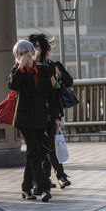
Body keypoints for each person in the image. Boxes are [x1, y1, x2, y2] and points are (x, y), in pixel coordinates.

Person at [8, 40, 60, 202]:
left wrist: (56, 116)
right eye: (21, 53)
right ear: (17, 56)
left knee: (35, 153)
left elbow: (51, 95)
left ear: (33, 52)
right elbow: (12, 85)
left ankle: (25, 188)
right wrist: (21, 68)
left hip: (40, 118)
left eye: (28, 51)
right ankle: (43, 188)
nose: (26, 55)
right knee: (35, 152)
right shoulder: (18, 71)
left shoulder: (43, 70)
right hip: (24, 119)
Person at [27, 33, 72, 190]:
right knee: (40, 146)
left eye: (38, 46)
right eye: (33, 46)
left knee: (51, 144)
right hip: (33, 113)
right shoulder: (26, 67)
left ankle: (57, 176)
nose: (36, 50)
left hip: (51, 111)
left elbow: (67, 82)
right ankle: (41, 178)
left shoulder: (52, 65)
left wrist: (59, 74)